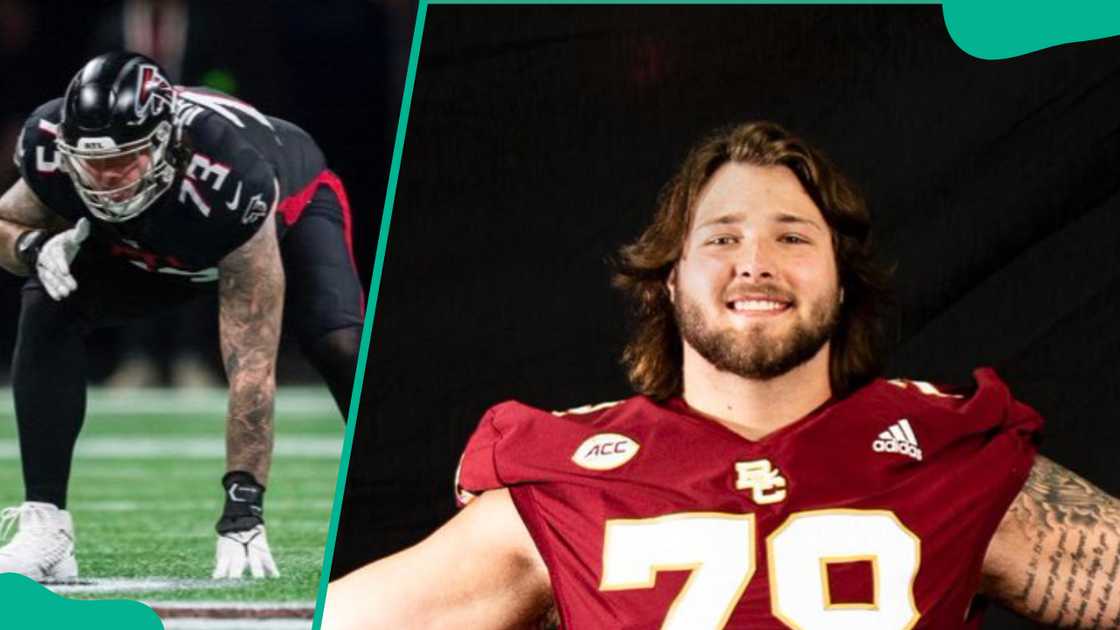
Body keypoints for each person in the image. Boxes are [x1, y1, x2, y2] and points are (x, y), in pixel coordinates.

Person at [324, 121, 1120, 628]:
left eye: (794, 239)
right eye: (721, 239)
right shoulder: (559, 483)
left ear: (843, 281)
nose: (756, 265)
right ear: (668, 280)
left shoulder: (954, 456)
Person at [0, 52, 364, 580]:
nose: (107, 180)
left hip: (284, 218)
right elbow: (6, 222)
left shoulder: (230, 178)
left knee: (339, 343)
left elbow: (252, 363)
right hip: (159, 246)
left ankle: (410, 485)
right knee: (47, 301)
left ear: (168, 143)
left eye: (125, 159)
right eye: (92, 162)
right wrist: (33, 247)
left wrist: (244, 505)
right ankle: (46, 527)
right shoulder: (49, 147)